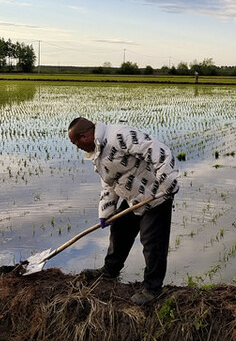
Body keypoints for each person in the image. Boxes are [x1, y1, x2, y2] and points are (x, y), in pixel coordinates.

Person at [67, 117, 180, 304]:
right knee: (119, 231)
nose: (76, 146)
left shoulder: (119, 135)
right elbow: (109, 183)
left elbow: (158, 151)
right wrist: (107, 211)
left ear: (84, 136)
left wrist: (168, 182)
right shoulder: (98, 152)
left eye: (75, 142)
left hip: (155, 196)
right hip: (132, 197)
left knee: (152, 243)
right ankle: (110, 271)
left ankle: (153, 289)